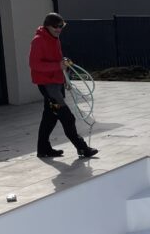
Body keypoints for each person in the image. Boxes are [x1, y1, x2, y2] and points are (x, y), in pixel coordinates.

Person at [28, 13, 98, 159]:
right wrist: (57, 65)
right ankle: (82, 148)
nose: (59, 29)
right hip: (48, 86)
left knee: (50, 117)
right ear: (47, 26)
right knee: (67, 118)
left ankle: (43, 149)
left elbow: (58, 61)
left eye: (61, 26)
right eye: (56, 26)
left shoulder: (55, 39)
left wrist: (65, 78)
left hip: (57, 83)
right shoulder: (38, 41)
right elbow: (34, 65)